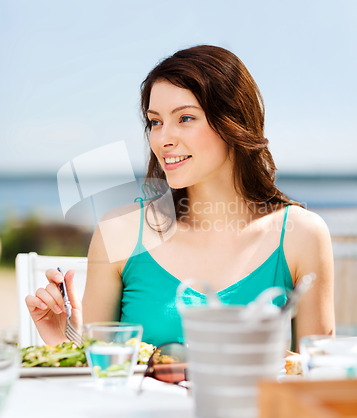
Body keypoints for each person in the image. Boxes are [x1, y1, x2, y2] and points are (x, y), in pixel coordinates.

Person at [25, 45, 335, 351]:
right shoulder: (117, 233)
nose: (162, 139)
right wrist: (64, 341)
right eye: (155, 122)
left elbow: (321, 382)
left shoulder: (301, 235)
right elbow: (102, 376)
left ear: (234, 122)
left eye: (185, 118)